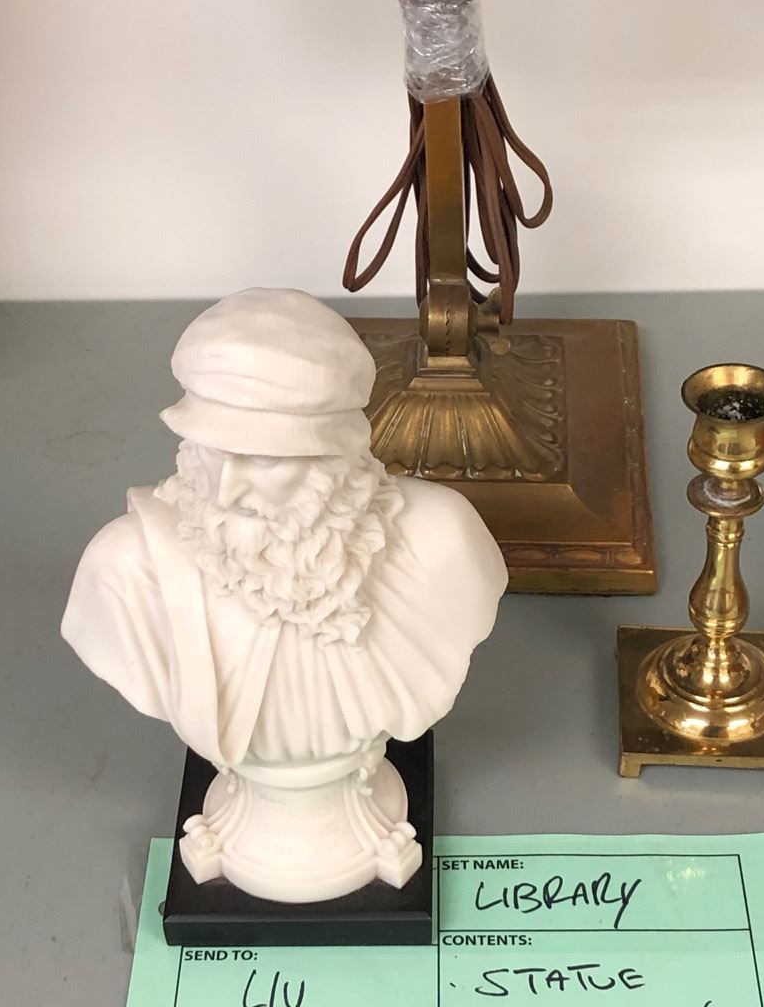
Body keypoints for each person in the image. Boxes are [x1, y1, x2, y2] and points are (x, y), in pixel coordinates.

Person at [62, 288, 506, 902]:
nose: (228, 489)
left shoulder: (441, 540)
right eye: (213, 451)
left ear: (335, 458)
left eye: (265, 460)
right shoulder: (126, 570)